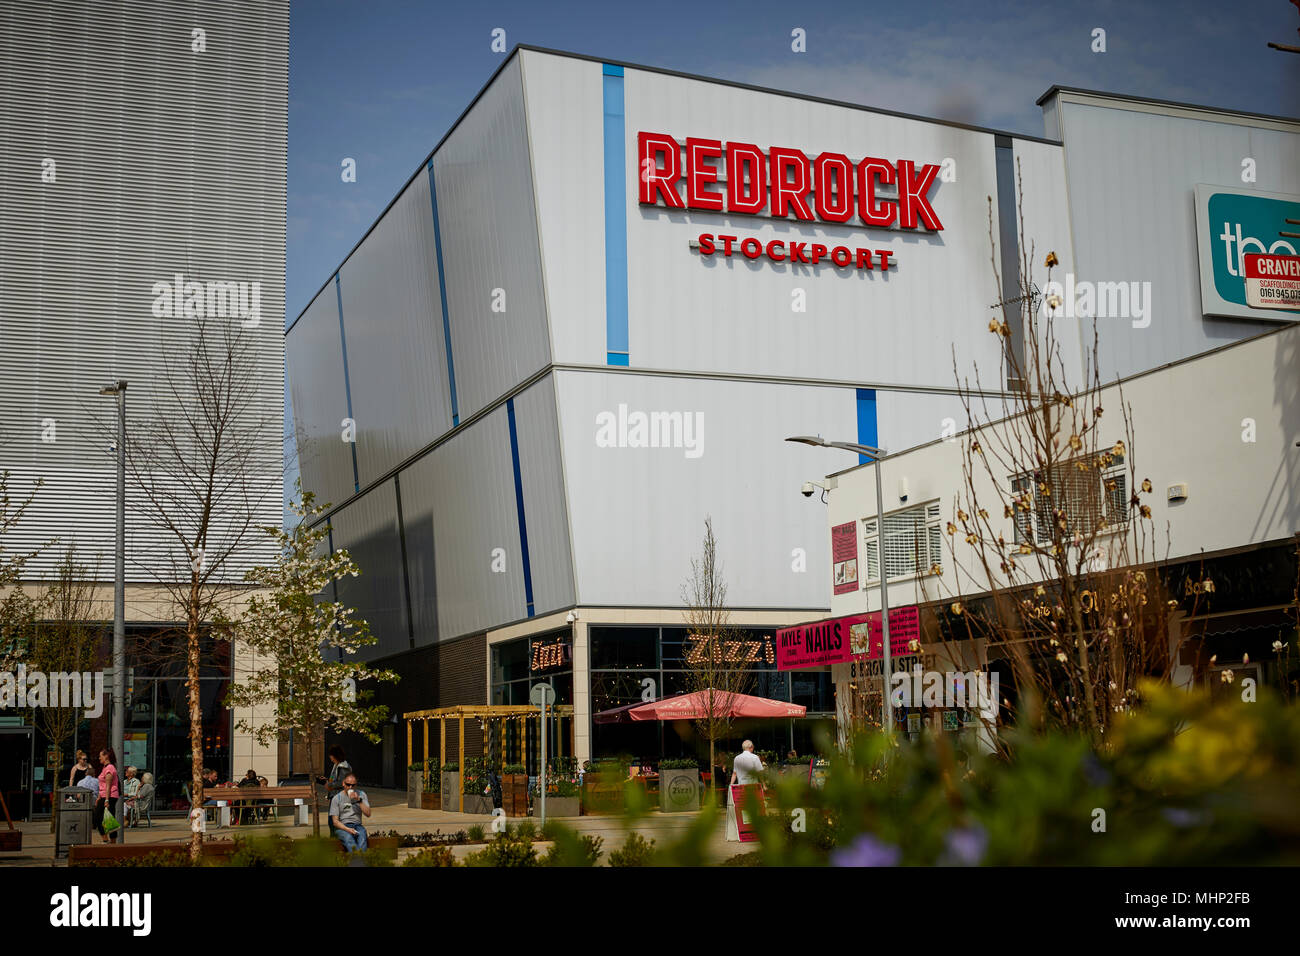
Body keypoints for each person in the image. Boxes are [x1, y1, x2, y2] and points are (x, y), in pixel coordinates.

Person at [726, 741, 766, 842]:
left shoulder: (737, 758)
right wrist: (764, 784)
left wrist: (731, 785)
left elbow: (734, 773)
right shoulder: (755, 758)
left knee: (743, 809)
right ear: (751, 747)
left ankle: (745, 831)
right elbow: (759, 773)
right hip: (753, 786)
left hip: (741, 787)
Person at [329, 772, 371, 855]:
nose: (350, 787)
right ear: (343, 783)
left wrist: (359, 800)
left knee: (362, 838)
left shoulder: (361, 794)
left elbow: (368, 814)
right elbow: (335, 822)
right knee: (348, 838)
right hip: (342, 827)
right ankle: (360, 860)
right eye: (348, 785)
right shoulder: (337, 798)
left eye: (353, 785)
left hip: (358, 825)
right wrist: (348, 829)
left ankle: (358, 860)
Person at [94, 747, 121, 844]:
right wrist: (99, 797)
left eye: (100, 756)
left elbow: (108, 786)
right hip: (105, 796)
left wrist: (106, 800)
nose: (99, 758)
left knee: (106, 818)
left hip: (110, 796)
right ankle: (108, 840)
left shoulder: (109, 768)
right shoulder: (105, 768)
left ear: (106, 756)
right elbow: (102, 785)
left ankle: (110, 841)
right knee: (104, 818)